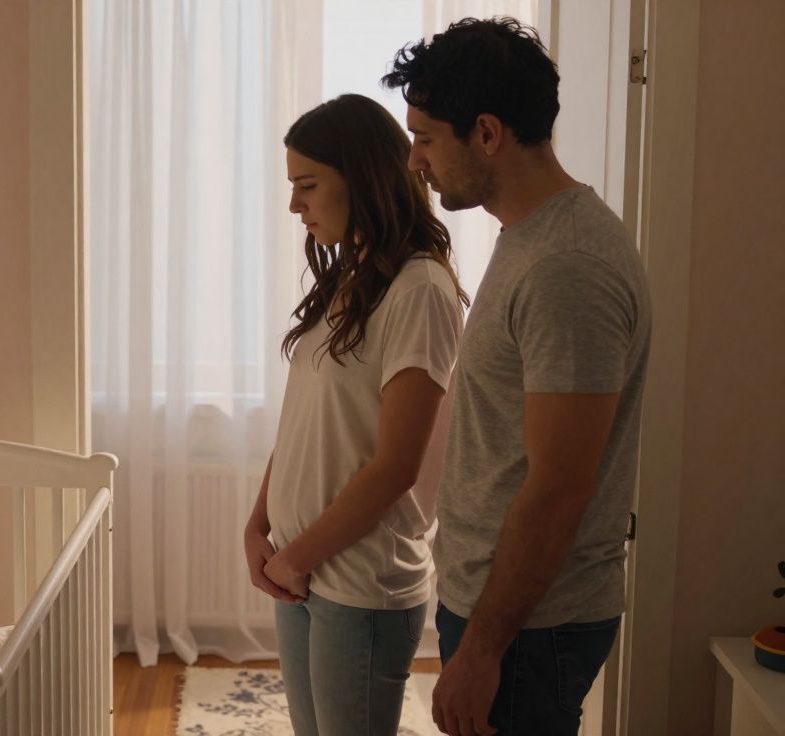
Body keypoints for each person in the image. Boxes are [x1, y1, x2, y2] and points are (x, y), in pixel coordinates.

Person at [382, 17, 652, 736]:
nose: (415, 162)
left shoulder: (567, 268)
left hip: (531, 625)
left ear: (488, 134)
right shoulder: (531, 238)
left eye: (426, 137)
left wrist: (484, 649)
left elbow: (560, 486)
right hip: (504, 610)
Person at [244, 92, 467, 735]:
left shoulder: (420, 288)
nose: (295, 205)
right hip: (304, 565)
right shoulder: (350, 279)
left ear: (364, 176)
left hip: (359, 580)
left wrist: (297, 556)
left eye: (308, 185)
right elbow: (302, 425)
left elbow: (397, 464)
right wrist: (258, 527)